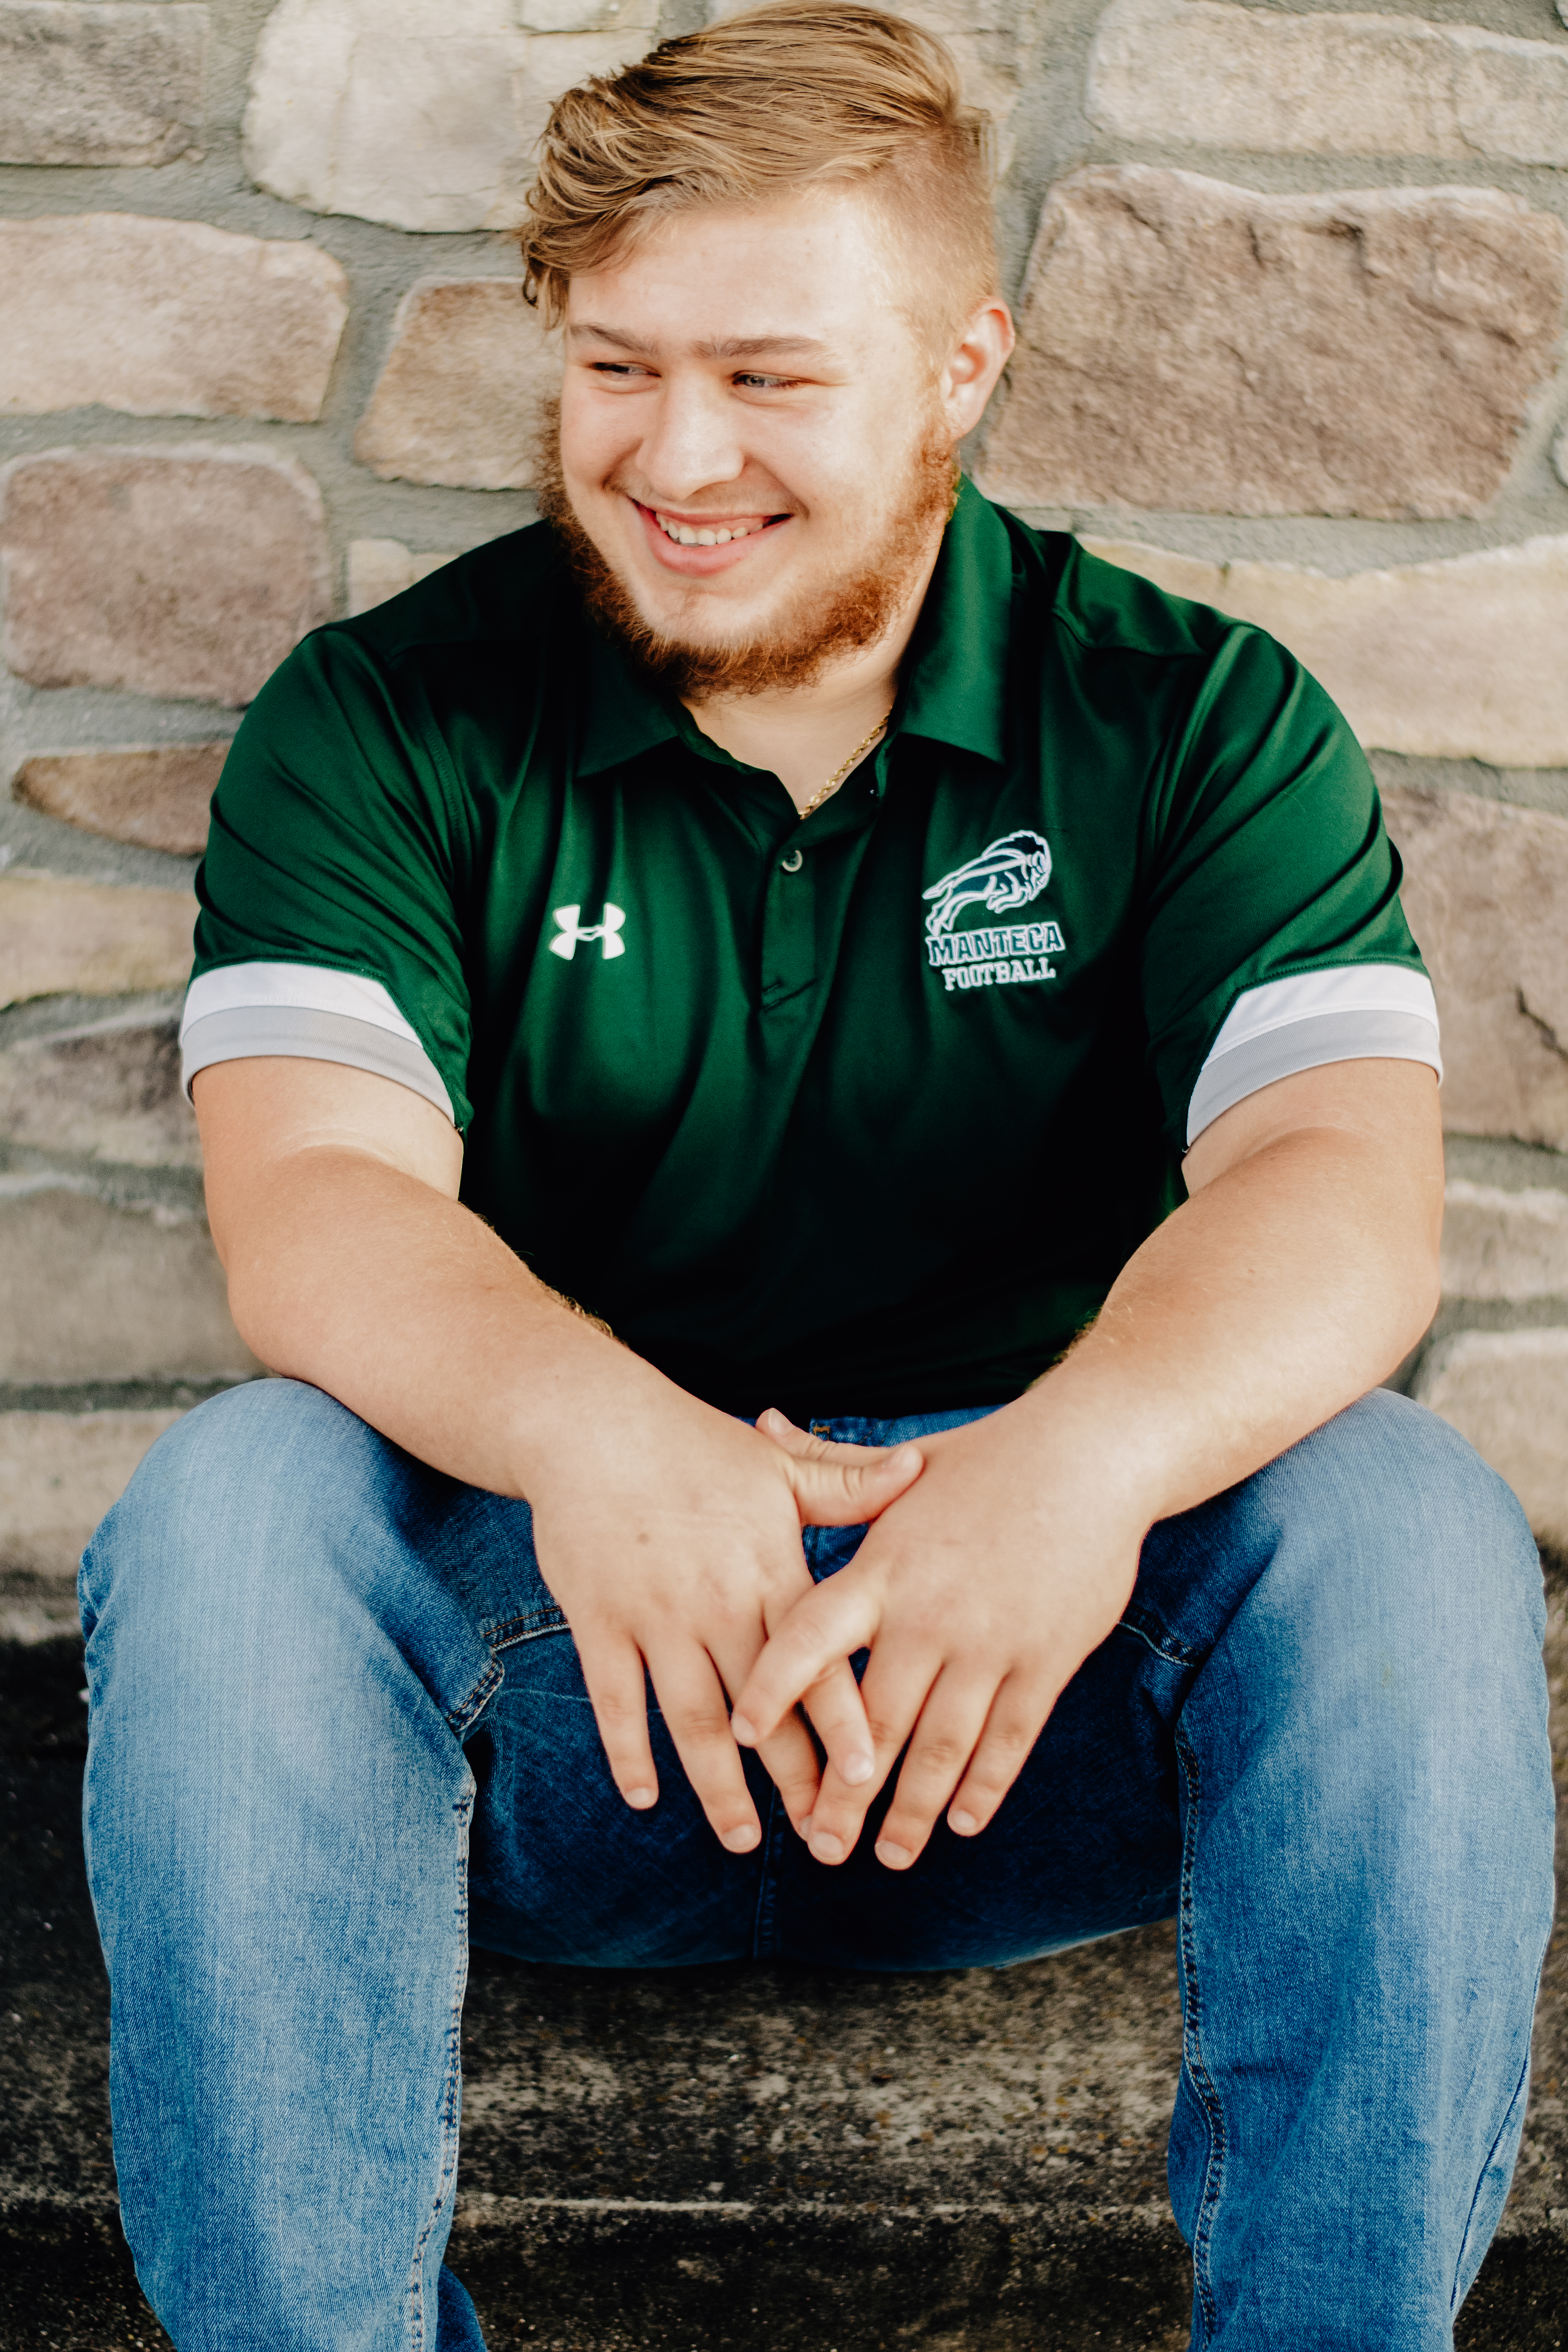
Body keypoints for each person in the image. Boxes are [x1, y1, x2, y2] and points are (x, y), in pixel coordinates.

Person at [80, 6, 1553, 2346]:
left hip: (1035, 1698)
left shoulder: (1192, 715)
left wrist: (1076, 1467)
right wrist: (601, 1436)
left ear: (964, 366)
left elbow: (1338, 1184)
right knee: (238, 1507)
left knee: (1404, 1522)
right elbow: (316, 1200)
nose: (679, 458)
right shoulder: (384, 717)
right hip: (570, 1697)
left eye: (770, 377)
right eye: (618, 368)